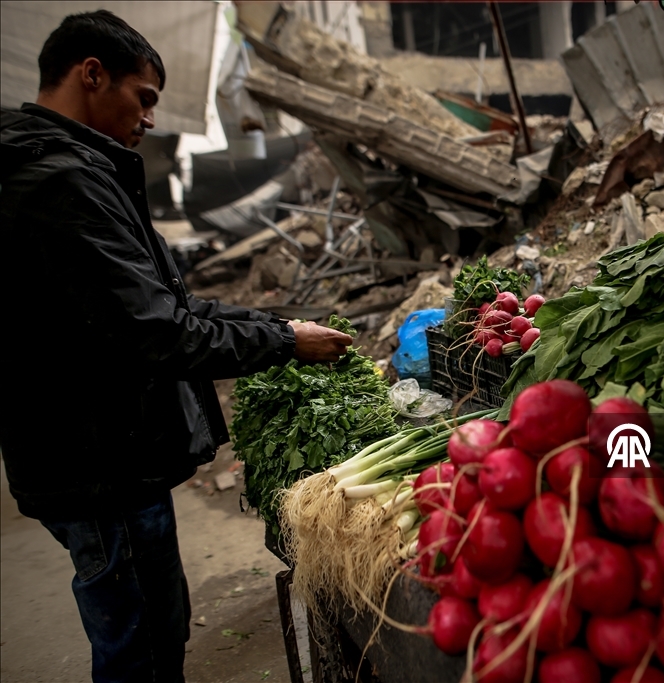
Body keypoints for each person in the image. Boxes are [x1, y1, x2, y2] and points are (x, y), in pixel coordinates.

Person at [0, 11, 351, 682]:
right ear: (91, 73)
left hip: (86, 453)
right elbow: (155, 330)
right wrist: (281, 341)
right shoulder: (58, 185)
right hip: (97, 461)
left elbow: (159, 302)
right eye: (145, 97)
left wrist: (271, 324)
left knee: (149, 626)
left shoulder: (65, 169)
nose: (152, 118)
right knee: (142, 642)